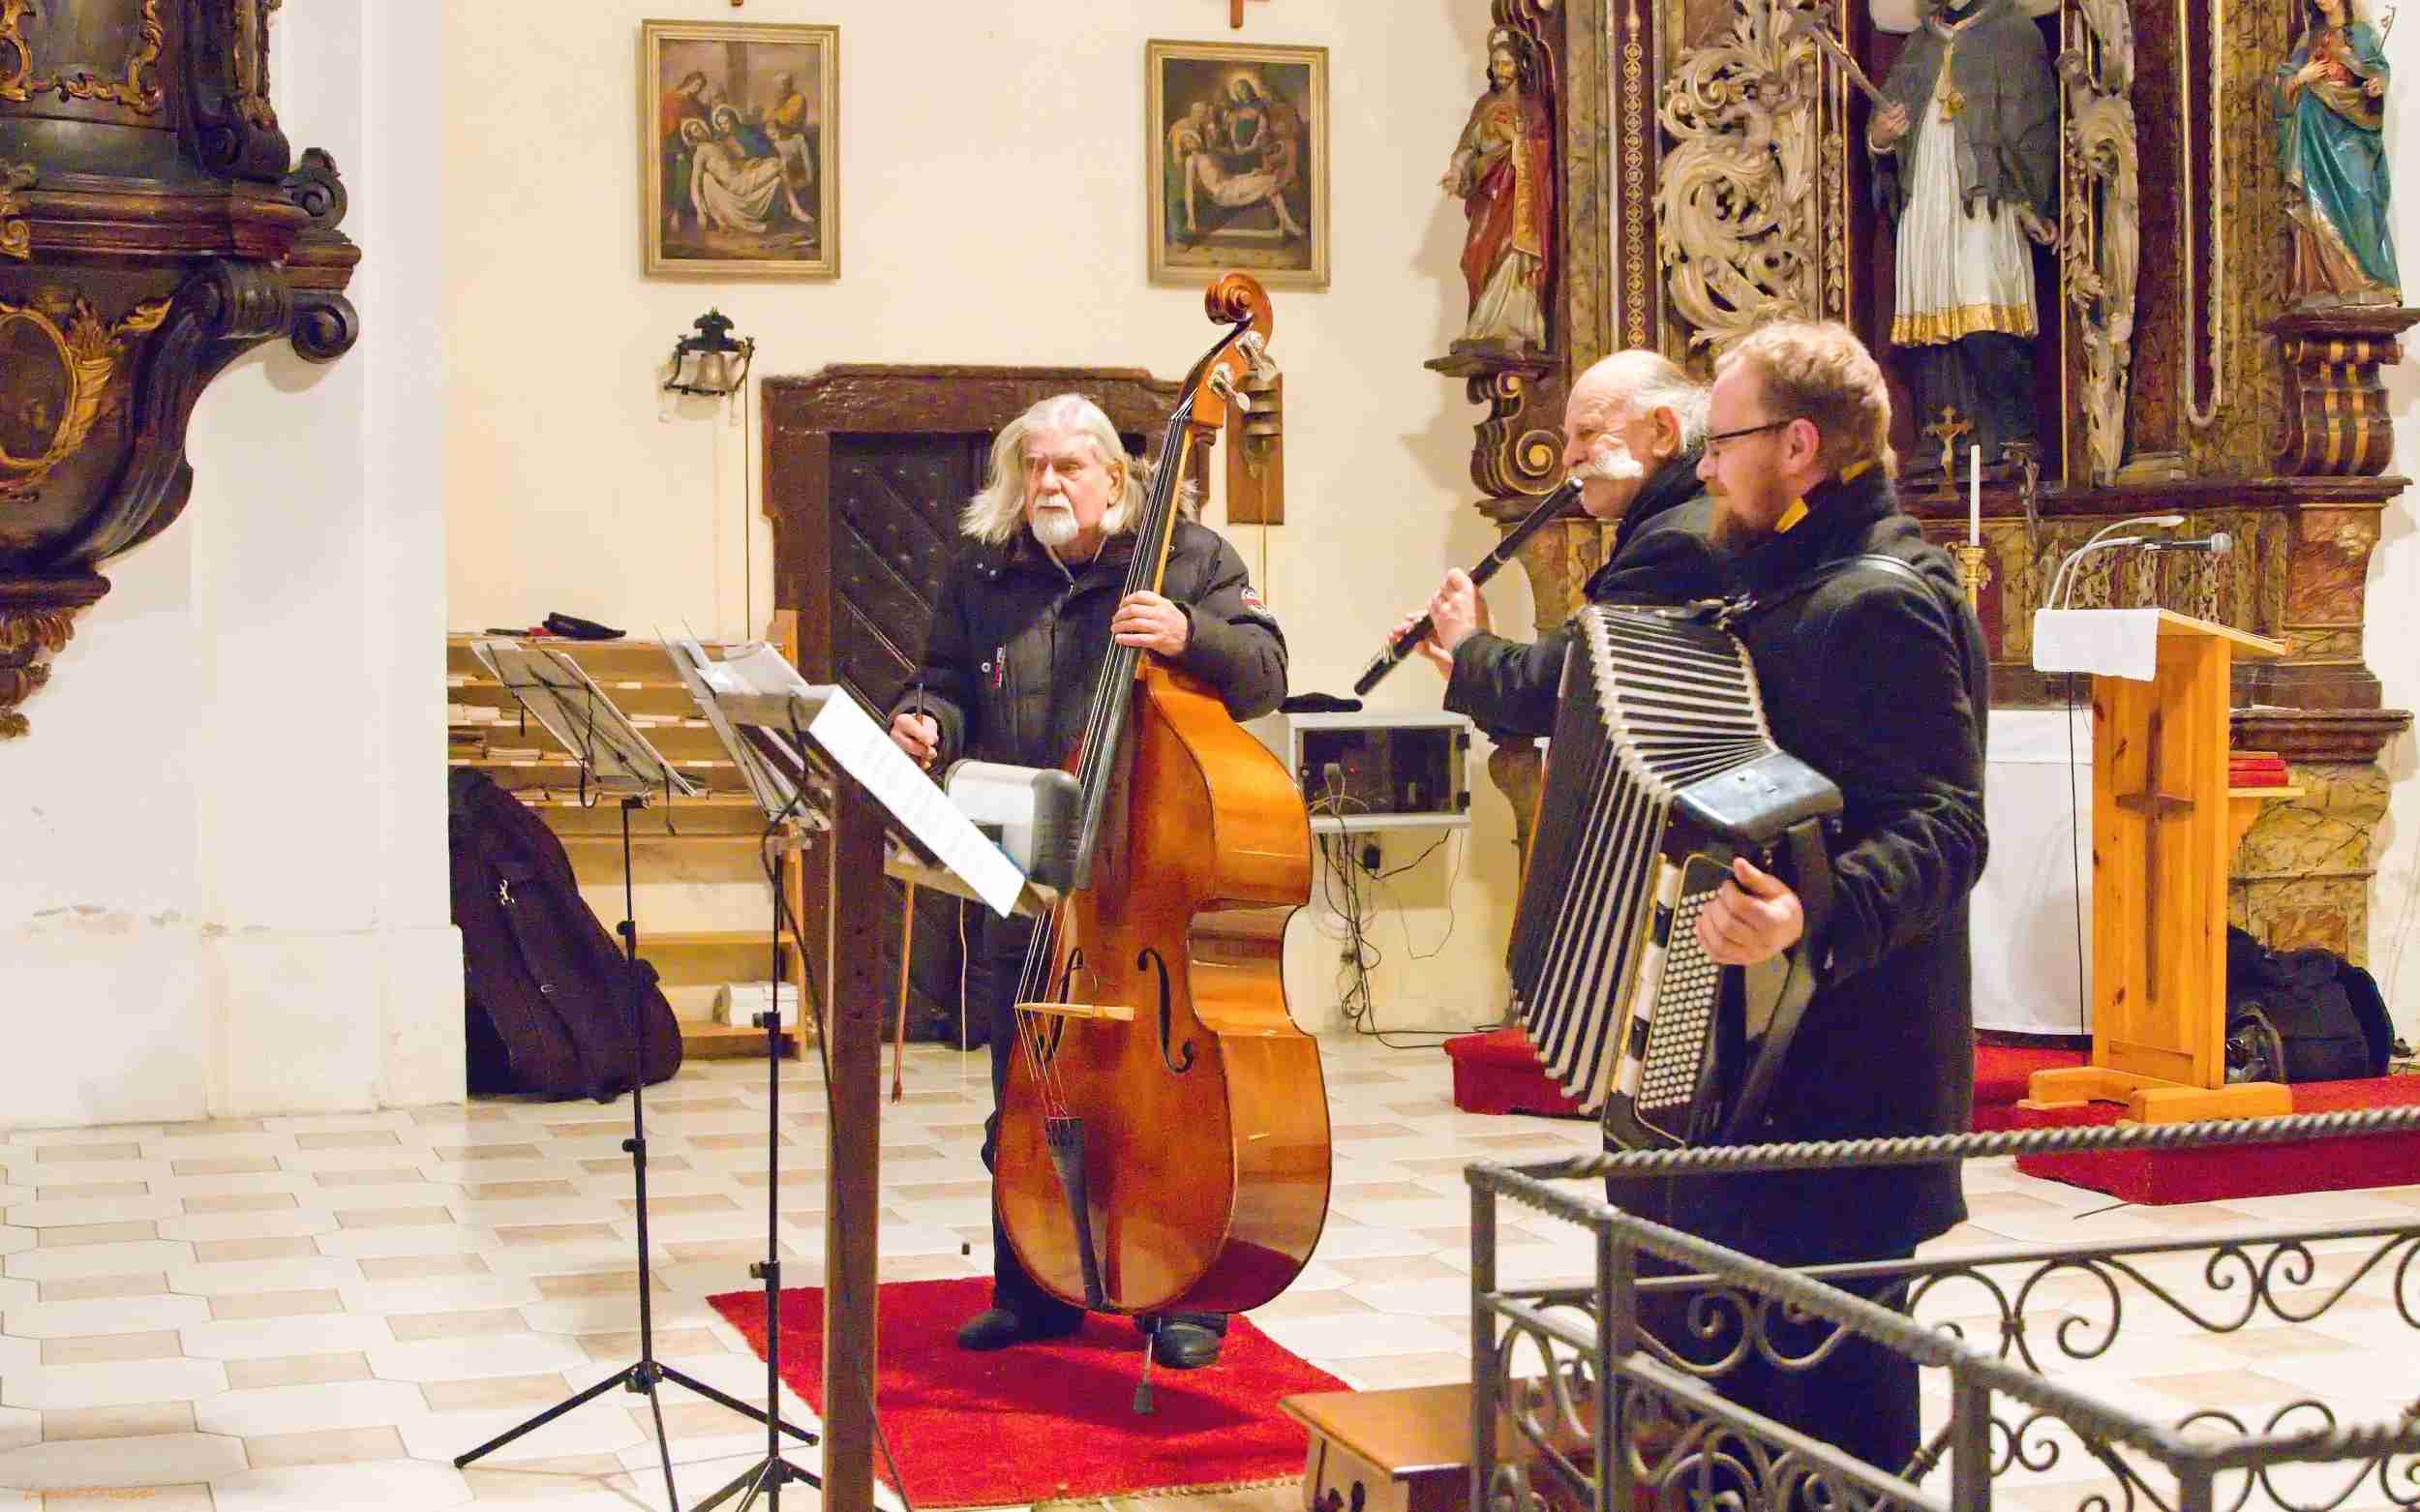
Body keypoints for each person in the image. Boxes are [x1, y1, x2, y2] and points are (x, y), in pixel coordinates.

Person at [885, 394, 1286, 1371]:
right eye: (1032, 466)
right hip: (1028, 872)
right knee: (1024, 1087)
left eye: (1069, 465)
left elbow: (1266, 670)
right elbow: (943, 674)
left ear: (1116, 475)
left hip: (1149, 874)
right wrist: (927, 716)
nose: (1049, 483)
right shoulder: (985, 570)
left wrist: (1191, 632)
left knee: (1161, 1102)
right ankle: (1030, 1289)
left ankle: (1182, 1297)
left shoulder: (1188, 559)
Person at [1663, 319, 1988, 1478]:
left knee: (1833, 1422)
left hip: (1850, 1075)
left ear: (1799, 444)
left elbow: (1949, 825)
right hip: (1752, 1068)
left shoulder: (1880, 599)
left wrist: (1814, 912)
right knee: (1720, 1398)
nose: (1700, 465)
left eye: (1721, 439)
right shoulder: (1773, 587)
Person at [1396, 349, 1728, 735]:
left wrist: (1469, 641)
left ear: (1663, 431)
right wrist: (1466, 663)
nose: (1568, 456)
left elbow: (1562, 691)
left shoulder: (1673, 545)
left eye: (1588, 433)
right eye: (1567, 438)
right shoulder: (1670, 523)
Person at [1870, 0, 2058, 473]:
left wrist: (2035, 202)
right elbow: (1884, 133)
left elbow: (2036, 125)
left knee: (1984, 313)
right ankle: (1943, 442)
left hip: (1986, 197)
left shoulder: (2013, 32)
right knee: (1931, 321)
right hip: (1927, 199)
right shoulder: (1919, 44)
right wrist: (1881, 136)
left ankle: (2012, 435)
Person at [2276, 0, 2400, 307]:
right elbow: (2282, 92)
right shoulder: (2308, 38)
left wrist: (2376, 84)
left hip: (2354, 135)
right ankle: (2323, 284)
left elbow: (2378, 71)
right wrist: (2301, 78)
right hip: (2316, 135)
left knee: (2360, 197)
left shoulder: (2362, 34)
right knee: (2315, 204)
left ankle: (2366, 281)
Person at [1439, 29, 1556, 351]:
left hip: (1520, 197)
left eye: (1507, 64)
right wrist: (1457, 170)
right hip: (1488, 195)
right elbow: (1468, 146)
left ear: (1519, 66)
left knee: (1514, 254)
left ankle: (1516, 322)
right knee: (1479, 251)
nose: (1502, 71)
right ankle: (1484, 324)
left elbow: (1545, 150)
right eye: (1496, 64)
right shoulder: (1485, 104)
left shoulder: (1532, 107)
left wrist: (1517, 142)